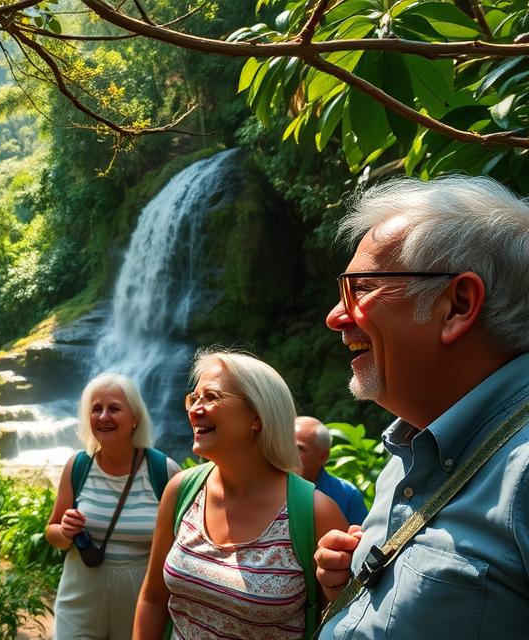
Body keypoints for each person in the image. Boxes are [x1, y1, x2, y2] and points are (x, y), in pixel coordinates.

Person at [315, 176, 529, 639]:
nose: (335, 316)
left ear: (458, 304)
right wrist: (358, 592)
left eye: (363, 287)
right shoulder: (413, 444)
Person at [134, 350, 347, 640]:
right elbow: (153, 598)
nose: (195, 409)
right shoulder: (182, 490)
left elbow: (340, 621)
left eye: (211, 397)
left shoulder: (315, 513)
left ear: (256, 416)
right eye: (193, 398)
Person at [45, 373, 180, 640]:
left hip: (140, 605)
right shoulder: (78, 466)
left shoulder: (163, 471)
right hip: (80, 601)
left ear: (134, 419)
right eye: (96, 409)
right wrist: (66, 532)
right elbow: (52, 533)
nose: (103, 416)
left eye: (114, 408)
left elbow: (181, 547)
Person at [295, 416, 368, 526]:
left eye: (299, 449)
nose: (287, 453)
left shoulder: (347, 495)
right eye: (285, 446)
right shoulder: (269, 488)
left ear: (323, 457)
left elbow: (362, 539)